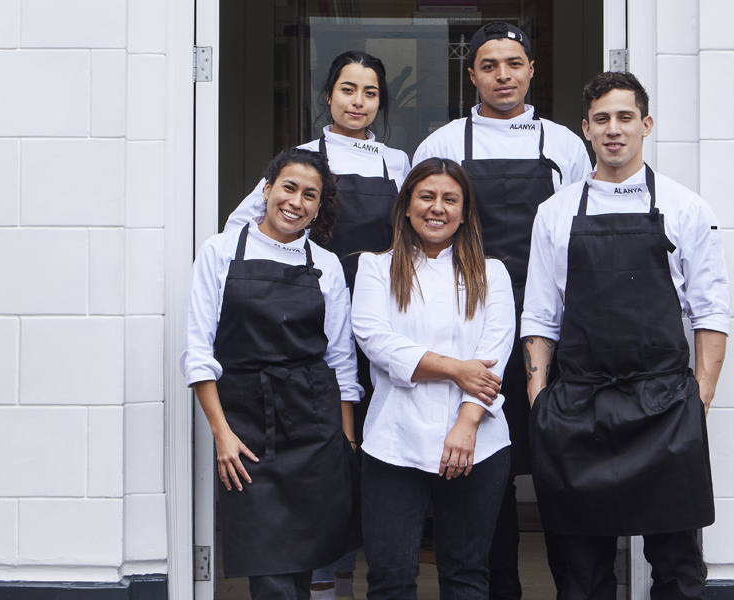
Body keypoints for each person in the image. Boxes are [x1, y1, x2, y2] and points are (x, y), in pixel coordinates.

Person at [522, 72, 730, 600]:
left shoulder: (686, 208)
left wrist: (698, 399)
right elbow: (541, 316)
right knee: (582, 570)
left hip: (664, 404)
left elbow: (711, 313)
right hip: (577, 405)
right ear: (586, 129)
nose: (614, 130)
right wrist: (539, 396)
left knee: (678, 566)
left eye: (625, 117)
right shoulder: (555, 212)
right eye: (601, 119)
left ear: (646, 124)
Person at [411, 22, 592, 599]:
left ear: (531, 69)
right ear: (472, 75)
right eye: (489, 65)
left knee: (557, 470)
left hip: (548, 331)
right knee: (488, 476)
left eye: (514, 63)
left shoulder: (564, 145)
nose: (503, 75)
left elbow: (581, 234)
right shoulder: (441, 144)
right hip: (473, 333)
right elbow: (421, 234)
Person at [224, 50, 410, 600]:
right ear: (327, 96)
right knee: (319, 467)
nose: (358, 102)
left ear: (380, 101)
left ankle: (364, 574)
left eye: (370, 92)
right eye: (348, 90)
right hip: (311, 324)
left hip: (378, 328)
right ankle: (327, 583)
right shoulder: (303, 157)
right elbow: (243, 227)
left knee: (363, 462)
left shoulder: (395, 162)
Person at [181, 148, 361, 600]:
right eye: (289, 187)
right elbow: (199, 352)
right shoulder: (220, 252)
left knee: (303, 568)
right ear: (266, 189)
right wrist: (221, 434)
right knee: (271, 574)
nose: (296, 201)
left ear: (319, 207)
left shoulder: (326, 266)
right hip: (246, 428)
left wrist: (345, 444)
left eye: (310, 195)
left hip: (315, 426)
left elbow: (341, 362)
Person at [351, 158, 515, 600]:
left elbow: (494, 354)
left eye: (449, 199)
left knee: (465, 574)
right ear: (406, 206)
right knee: (390, 578)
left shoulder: (492, 272)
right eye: (426, 196)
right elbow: (376, 341)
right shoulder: (374, 268)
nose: (436, 207)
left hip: (478, 443)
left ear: (464, 213)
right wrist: (457, 369)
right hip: (393, 441)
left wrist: (466, 425)